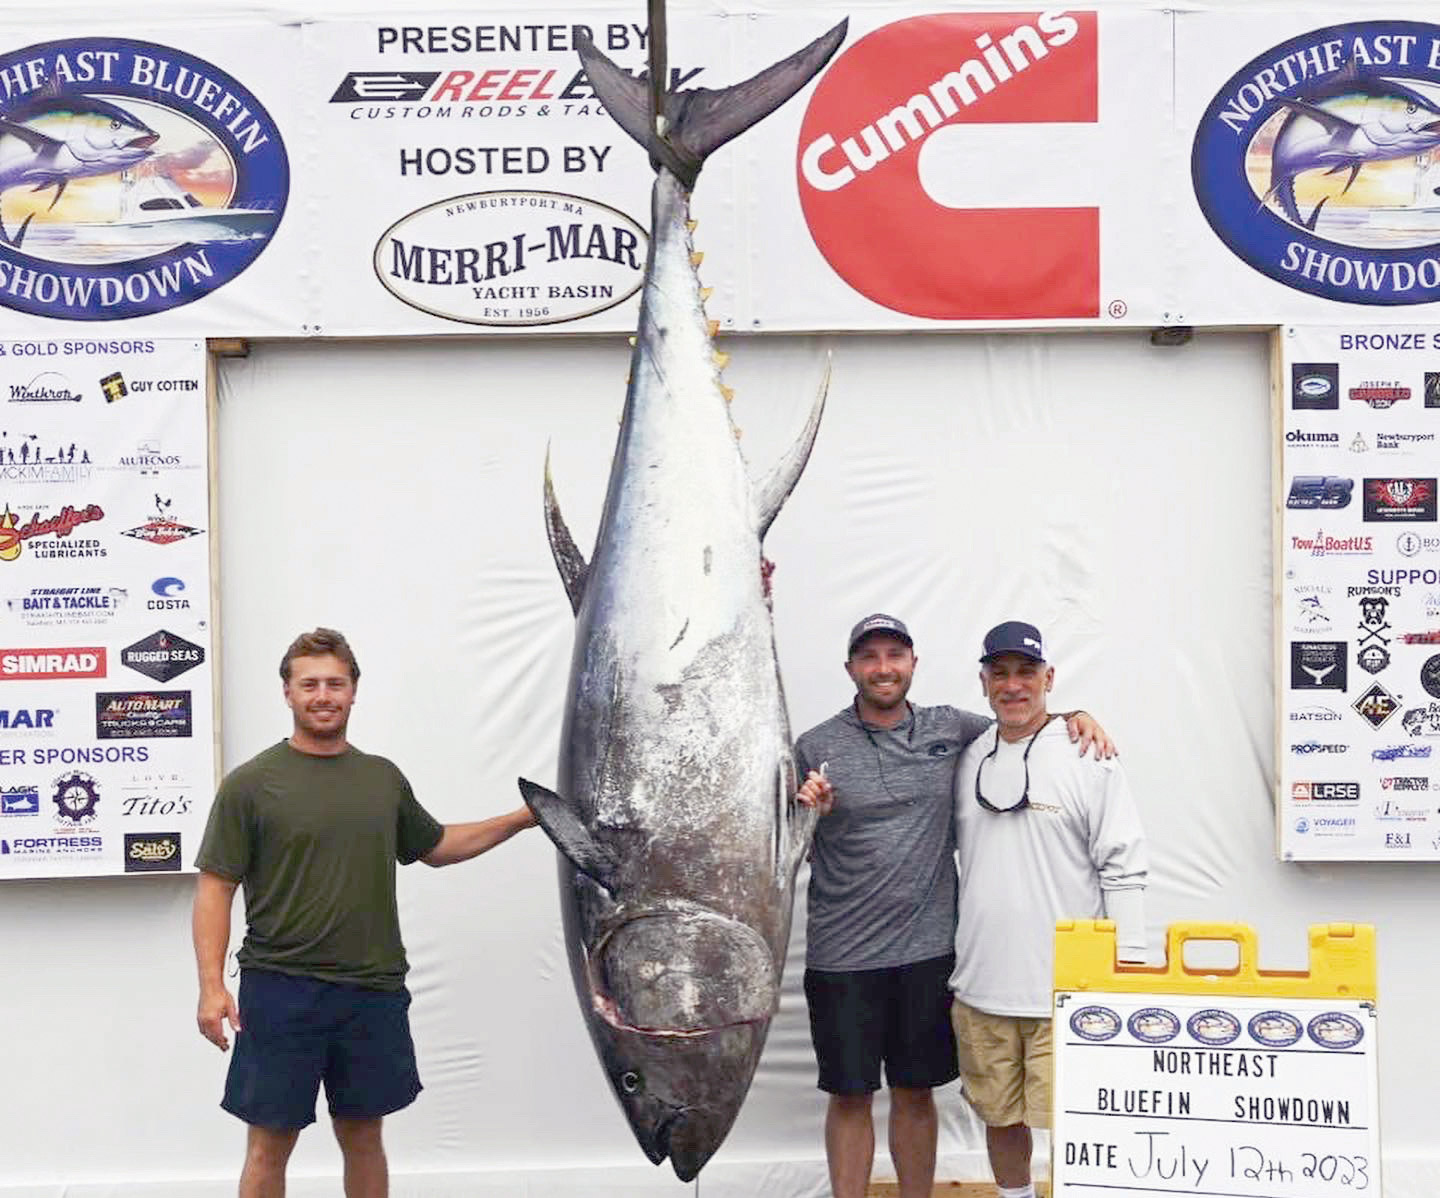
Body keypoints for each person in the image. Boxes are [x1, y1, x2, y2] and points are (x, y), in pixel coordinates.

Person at [191, 627, 536, 1198]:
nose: (322, 695)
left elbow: (437, 847)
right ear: (287, 692)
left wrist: (523, 818)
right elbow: (214, 888)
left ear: (353, 692)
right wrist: (210, 987)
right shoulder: (251, 785)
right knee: (269, 1143)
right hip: (281, 991)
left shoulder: (381, 778)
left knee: (364, 1136)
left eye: (335, 683)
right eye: (309, 684)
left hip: (371, 991)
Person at [794, 614, 1113, 1198]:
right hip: (841, 955)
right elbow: (781, 844)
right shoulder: (816, 745)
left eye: (895, 655)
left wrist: (1076, 716)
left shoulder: (951, 729)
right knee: (850, 1094)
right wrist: (807, 809)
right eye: (870, 657)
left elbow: (1019, 718)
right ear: (851, 670)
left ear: (914, 664)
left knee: (916, 1091)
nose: (883, 668)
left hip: (929, 949)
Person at [950, 621, 1147, 1198]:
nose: (1014, 686)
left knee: (1083, 1118)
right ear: (984, 682)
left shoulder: (1090, 754)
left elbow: (1124, 862)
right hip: (981, 984)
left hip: (1066, 985)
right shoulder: (965, 756)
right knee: (999, 1117)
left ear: (1050, 679)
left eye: (1027, 673)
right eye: (1001, 673)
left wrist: (1127, 964)